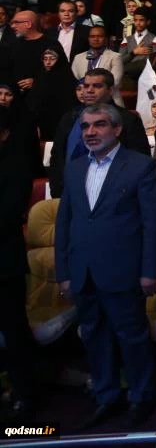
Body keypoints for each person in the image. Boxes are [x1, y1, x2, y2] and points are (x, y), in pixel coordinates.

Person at [54, 104, 156, 432]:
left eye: (99, 125)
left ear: (116, 130)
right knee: (94, 337)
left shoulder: (140, 166)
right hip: (83, 271)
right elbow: (64, 223)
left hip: (124, 271)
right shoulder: (74, 168)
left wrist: (150, 270)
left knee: (132, 338)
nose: (91, 132)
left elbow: (153, 224)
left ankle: (142, 397)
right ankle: (107, 396)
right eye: (86, 126)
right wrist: (64, 272)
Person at [48, 68, 149, 198]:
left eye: (97, 86)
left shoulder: (128, 120)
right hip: (70, 193)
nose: (89, 90)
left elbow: (139, 161)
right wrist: (58, 191)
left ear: (110, 90)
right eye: (86, 86)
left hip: (113, 197)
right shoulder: (69, 118)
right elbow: (57, 157)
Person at [0, 106, 38, 416]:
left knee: (13, 330)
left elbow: (10, 213)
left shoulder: (16, 162)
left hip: (4, 261)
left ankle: (26, 394)